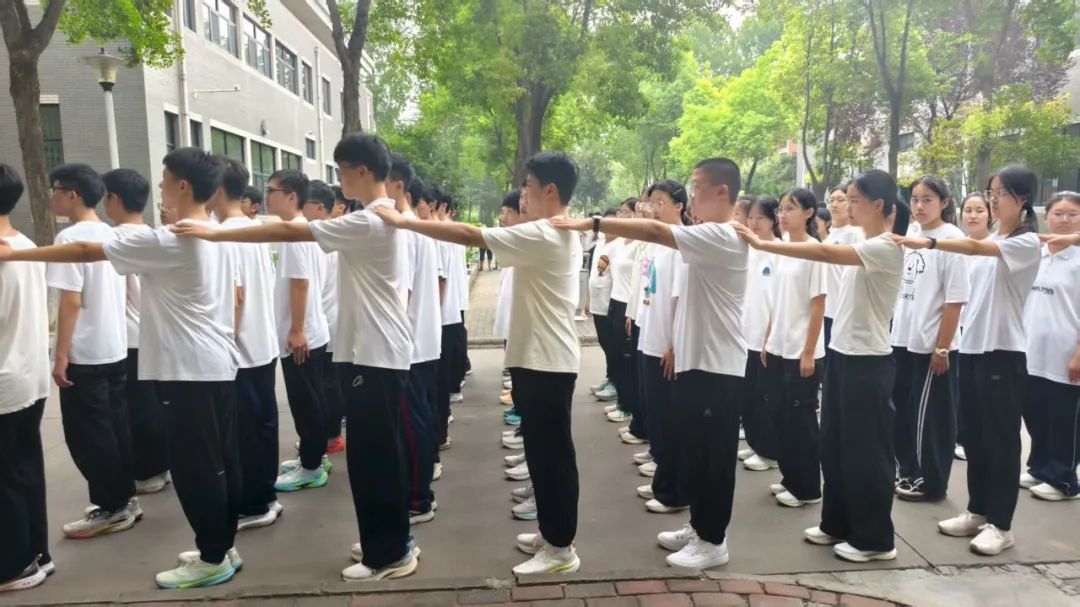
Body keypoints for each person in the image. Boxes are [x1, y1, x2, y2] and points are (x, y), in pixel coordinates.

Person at [174, 134, 417, 582]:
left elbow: (291, 229)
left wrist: (216, 231)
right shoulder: (380, 217)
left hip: (374, 354)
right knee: (378, 454)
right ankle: (390, 539)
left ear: (362, 171)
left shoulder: (369, 221)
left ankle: (389, 553)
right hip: (374, 351)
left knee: (375, 458)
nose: (339, 179)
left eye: (342, 170)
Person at [1, 148, 244, 588]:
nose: (161, 188)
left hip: (188, 371)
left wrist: (16, 256)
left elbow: (85, 250)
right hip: (216, 364)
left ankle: (213, 557)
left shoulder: (169, 239)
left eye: (165, 181)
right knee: (220, 460)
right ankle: (223, 547)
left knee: (196, 467)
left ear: (183, 186)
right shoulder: (215, 233)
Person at [375, 151, 584, 576]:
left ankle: (561, 549)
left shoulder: (546, 232)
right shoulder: (548, 231)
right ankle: (552, 534)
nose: (522, 194)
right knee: (542, 453)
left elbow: (471, 235)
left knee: (552, 458)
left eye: (527, 185)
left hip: (547, 361)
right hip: (539, 359)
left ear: (550, 190)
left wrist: (405, 221)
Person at [555, 157, 750, 570]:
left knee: (713, 458)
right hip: (700, 361)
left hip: (717, 366)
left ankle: (713, 540)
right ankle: (700, 526)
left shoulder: (722, 234)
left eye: (697, 186)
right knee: (696, 450)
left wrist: (592, 223)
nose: (691, 195)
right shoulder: (708, 234)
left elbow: (656, 231)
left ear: (722, 192)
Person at [735, 169, 908, 564]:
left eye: (854, 199)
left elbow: (823, 254)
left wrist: (765, 243)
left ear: (878, 205)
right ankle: (837, 523)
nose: (847, 206)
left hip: (868, 361)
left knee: (867, 453)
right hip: (844, 354)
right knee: (835, 447)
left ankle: (875, 539)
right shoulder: (859, 241)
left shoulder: (884, 246)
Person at [896, 165, 1041, 556]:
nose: (993, 200)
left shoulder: (1024, 243)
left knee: (1001, 441)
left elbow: (974, 248)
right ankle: (978, 511)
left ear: (1022, 199)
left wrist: (929, 243)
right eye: (990, 192)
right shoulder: (994, 238)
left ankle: (1001, 524)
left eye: (1001, 193)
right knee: (975, 436)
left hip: (1003, 351)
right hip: (974, 349)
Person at [46, 163, 139, 539]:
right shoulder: (110, 234)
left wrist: (60, 355)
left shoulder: (69, 239)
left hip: (85, 353)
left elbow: (70, 301)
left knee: (88, 436)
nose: (52, 197)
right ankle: (124, 498)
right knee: (116, 428)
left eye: (55, 190)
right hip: (114, 348)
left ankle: (112, 507)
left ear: (73, 195)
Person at [211, 158, 282, 531]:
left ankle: (255, 504)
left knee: (245, 434)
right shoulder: (252, 229)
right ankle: (266, 496)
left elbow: (235, 299)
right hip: (261, 345)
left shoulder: (226, 235)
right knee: (262, 426)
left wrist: (223, 346)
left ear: (217, 189)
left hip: (240, 351)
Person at [890, 176, 968, 503]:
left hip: (932, 345)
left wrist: (942, 347)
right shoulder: (912, 234)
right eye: (915, 199)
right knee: (904, 411)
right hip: (903, 338)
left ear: (944, 202)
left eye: (927, 200)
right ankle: (908, 470)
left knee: (930, 418)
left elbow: (955, 300)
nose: (919, 206)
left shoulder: (952, 240)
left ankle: (931, 482)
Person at [102, 169, 170, 496]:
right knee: (157, 404)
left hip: (130, 337)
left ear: (114, 199)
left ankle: (148, 471)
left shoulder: (114, 240)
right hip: (159, 334)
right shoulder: (155, 236)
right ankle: (162, 465)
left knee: (138, 408)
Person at [0, 164, 51, 593]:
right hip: (30, 377)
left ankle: (15, 566)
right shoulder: (25, 244)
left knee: (6, 479)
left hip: (5, 381)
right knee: (25, 469)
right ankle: (37, 553)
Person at [268, 170, 332, 492]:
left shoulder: (295, 232)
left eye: (272, 191)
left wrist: (296, 329)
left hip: (302, 334)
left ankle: (311, 467)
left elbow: (300, 283)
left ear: (292, 197)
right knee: (313, 399)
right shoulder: (303, 229)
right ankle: (315, 456)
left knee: (305, 403)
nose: (267, 196)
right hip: (313, 330)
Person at [763, 188, 827, 509]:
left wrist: (808, 351)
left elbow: (818, 304)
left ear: (809, 213)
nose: (783, 215)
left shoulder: (815, 251)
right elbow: (776, 300)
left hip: (803, 349)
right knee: (779, 414)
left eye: (791, 208)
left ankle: (808, 488)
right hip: (779, 345)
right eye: (781, 208)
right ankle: (790, 477)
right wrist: (768, 338)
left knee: (801, 419)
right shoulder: (781, 249)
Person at [387, 154, 441, 525]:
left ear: (397, 186)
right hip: (419, 341)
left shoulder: (404, 231)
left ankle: (419, 499)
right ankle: (417, 492)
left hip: (409, 344)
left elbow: (400, 296)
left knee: (411, 424)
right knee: (417, 419)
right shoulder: (414, 227)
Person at [635, 180, 691, 515]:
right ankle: (663, 479)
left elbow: (683, 300)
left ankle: (676, 492)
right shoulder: (656, 243)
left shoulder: (682, 244)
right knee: (656, 415)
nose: (652, 208)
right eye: (650, 203)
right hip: (650, 338)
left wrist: (674, 344)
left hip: (668, 346)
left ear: (679, 205)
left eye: (659, 202)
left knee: (671, 420)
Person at [1021, 191, 1080, 502]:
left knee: (1064, 419)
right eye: (1058, 214)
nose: (1064, 220)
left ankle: (1064, 479)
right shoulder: (1038, 255)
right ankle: (1040, 467)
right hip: (1032, 351)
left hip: (1066, 353)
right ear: (1047, 217)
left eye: (1073, 214)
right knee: (1036, 413)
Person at [303, 180, 347, 455]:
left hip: (326, 320)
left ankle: (330, 437)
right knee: (329, 384)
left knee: (328, 385)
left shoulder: (323, 240)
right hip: (329, 320)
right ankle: (329, 435)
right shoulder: (332, 237)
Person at [739, 196, 781, 472]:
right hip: (744, 332)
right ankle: (756, 443)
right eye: (750, 217)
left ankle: (769, 451)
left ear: (773, 219)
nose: (753, 223)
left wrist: (769, 336)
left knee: (762, 396)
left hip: (765, 336)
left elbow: (779, 300)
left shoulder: (779, 251)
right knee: (747, 395)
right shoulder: (748, 249)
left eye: (760, 218)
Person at [434, 186, 467, 449]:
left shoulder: (441, 233)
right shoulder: (443, 232)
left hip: (443, 312)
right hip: (450, 307)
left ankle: (441, 426)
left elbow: (441, 279)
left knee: (441, 371)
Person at [604, 198, 640, 426]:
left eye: (626, 212)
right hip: (615, 301)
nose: (621, 216)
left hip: (628, 304)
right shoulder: (619, 243)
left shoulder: (639, 243)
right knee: (615, 354)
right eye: (620, 212)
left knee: (627, 360)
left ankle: (628, 407)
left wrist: (632, 311)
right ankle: (621, 400)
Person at [586, 207, 619, 404]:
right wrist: (589, 299)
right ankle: (609, 377)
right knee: (604, 342)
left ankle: (615, 382)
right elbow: (593, 273)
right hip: (597, 303)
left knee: (613, 345)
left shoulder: (619, 245)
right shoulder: (600, 243)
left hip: (610, 304)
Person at [822, 184, 861, 349]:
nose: (834, 204)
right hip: (826, 309)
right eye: (831, 200)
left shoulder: (856, 234)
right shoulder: (829, 237)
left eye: (840, 200)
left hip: (844, 312)